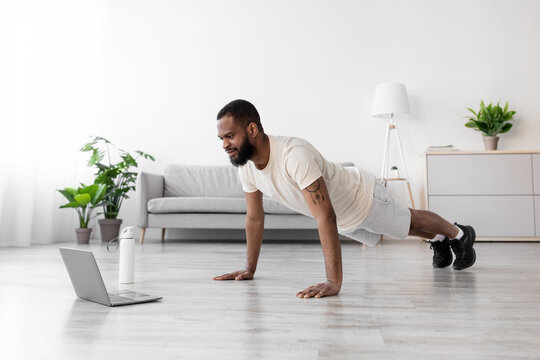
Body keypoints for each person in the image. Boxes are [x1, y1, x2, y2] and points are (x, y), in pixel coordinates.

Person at [213, 99, 476, 299]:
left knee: (410, 221)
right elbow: (255, 217)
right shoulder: (246, 167)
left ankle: (460, 234)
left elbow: (324, 215)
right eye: (221, 138)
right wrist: (249, 268)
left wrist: (333, 282)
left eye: (230, 136)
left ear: (252, 129)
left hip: (361, 196)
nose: (225, 144)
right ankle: (441, 239)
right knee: (403, 229)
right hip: (345, 219)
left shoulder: (293, 154)